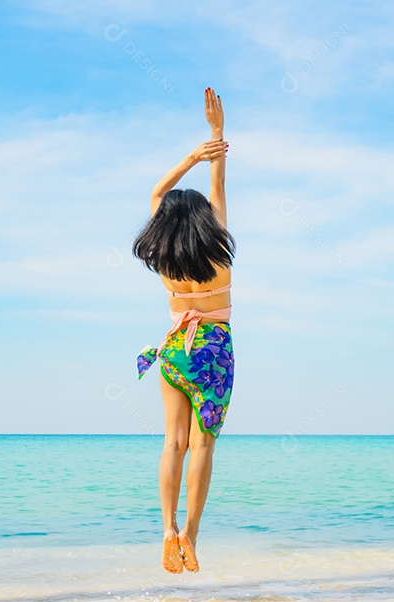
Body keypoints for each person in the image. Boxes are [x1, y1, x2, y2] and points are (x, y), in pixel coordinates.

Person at [131, 87, 235, 574]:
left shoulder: (165, 257)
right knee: (202, 444)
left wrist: (193, 154)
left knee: (171, 441)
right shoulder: (216, 246)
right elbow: (219, 185)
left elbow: (156, 193)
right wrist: (216, 137)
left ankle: (167, 529)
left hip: (173, 347)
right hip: (212, 350)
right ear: (202, 220)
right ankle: (192, 536)